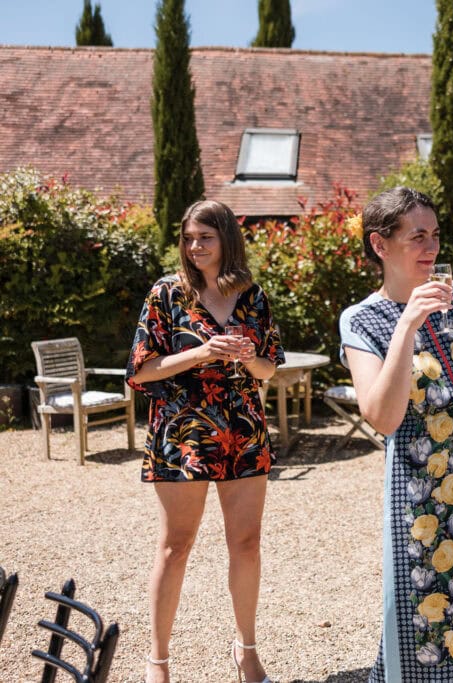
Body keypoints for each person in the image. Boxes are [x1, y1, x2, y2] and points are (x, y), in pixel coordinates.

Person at [339, 187, 453, 682]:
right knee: (428, 618)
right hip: (425, 499)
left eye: (435, 235)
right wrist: (409, 322)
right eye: (418, 237)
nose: (431, 247)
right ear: (380, 245)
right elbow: (383, 416)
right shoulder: (363, 320)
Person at [128, 200, 283, 683]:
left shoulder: (252, 295)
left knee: (248, 544)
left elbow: (269, 369)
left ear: (227, 240)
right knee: (176, 546)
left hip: (243, 428)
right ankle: (158, 661)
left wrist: (247, 354)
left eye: (206, 238)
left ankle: (247, 650)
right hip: (182, 432)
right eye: (189, 237)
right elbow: (140, 371)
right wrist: (200, 353)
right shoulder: (167, 293)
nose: (195, 247)